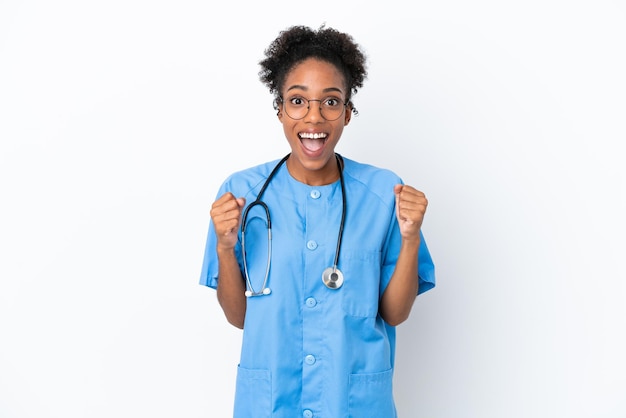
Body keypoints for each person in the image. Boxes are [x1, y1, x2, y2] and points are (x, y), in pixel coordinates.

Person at [199, 24, 436, 418]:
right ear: (279, 109)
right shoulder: (241, 194)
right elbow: (240, 318)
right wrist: (226, 248)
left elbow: (395, 313)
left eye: (330, 102)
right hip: (272, 404)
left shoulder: (383, 193)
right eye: (298, 101)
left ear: (347, 112)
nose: (314, 117)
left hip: (353, 405)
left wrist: (410, 238)